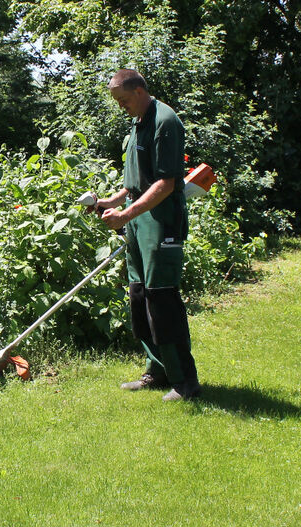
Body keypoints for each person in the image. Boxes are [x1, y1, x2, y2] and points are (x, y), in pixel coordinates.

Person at [97, 68, 200, 401]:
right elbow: (133, 185)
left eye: (124, 100)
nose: (122, 107)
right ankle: (156, 370)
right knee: (140, 298)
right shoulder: (138, 122)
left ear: (139, 91)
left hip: (161, 224)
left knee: (162, 300)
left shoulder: (165, 122)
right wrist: (107, 202)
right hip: (139, 225)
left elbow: (166, 183)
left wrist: (125, 214)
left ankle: (185, 382)